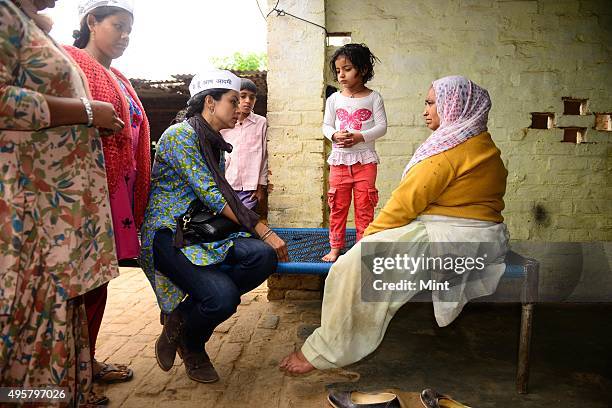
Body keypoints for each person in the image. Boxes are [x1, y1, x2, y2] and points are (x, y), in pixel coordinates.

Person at [280, 76, 509, 374]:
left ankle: (325, 351)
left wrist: (368, 240)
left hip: (455, 236)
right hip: (484, 237)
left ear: (453, 106)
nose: (425, 111)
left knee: (350, 268)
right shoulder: (480, 143)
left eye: (430, 103)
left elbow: (403, 205)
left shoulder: (449, 152)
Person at [0, 0, 123, 405]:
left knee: (53, 312)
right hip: (27, 209)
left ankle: (54, 393)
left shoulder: (27, 23)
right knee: (26, 316)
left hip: (55, 210)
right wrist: (88, 111)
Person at [140, 70, 288, 383]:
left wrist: (259, 234)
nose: (240, 107)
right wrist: (263, 229)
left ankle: (181, 319)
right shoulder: (180, 135)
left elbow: (217, 197)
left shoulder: (213, 143)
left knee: (263, 257)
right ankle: (193, 344)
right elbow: (212, 192)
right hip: (169, 234)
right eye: (233, 101)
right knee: (222, 298)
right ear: (210, 102)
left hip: (200, 232)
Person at [63, 0, 151, 387]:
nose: (126, 36)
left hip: (117, 188)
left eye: (130, 30)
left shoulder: (121, 78)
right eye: (119, 26)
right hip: (86, 188)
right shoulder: (69, 64)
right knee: (78, 280)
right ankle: (69, 367)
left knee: (98, 278)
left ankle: (86, 360)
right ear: (91, 21)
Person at [321, 43, 388, 262]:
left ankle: (362, 248)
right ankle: (335, 247)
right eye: (338, 70)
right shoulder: (334, 99)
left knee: (364, 207)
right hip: (339, 162)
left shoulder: (373, 98)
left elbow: (382, 127)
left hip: (365, 162)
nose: (341, 75)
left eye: (347, 69)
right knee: (337, 206)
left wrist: (360, 136)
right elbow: (326, 126)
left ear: (364, 69)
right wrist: (334, 136)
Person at [220, 78, 268, 214]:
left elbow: (264, 156)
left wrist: (261, 186)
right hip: (227, 185)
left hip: (250, 189)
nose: (247, 100)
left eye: (252, 98)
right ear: (235, 98)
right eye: (243, 96)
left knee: (244, 220)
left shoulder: (261, 123)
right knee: (228, 222)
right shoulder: (225, 124)